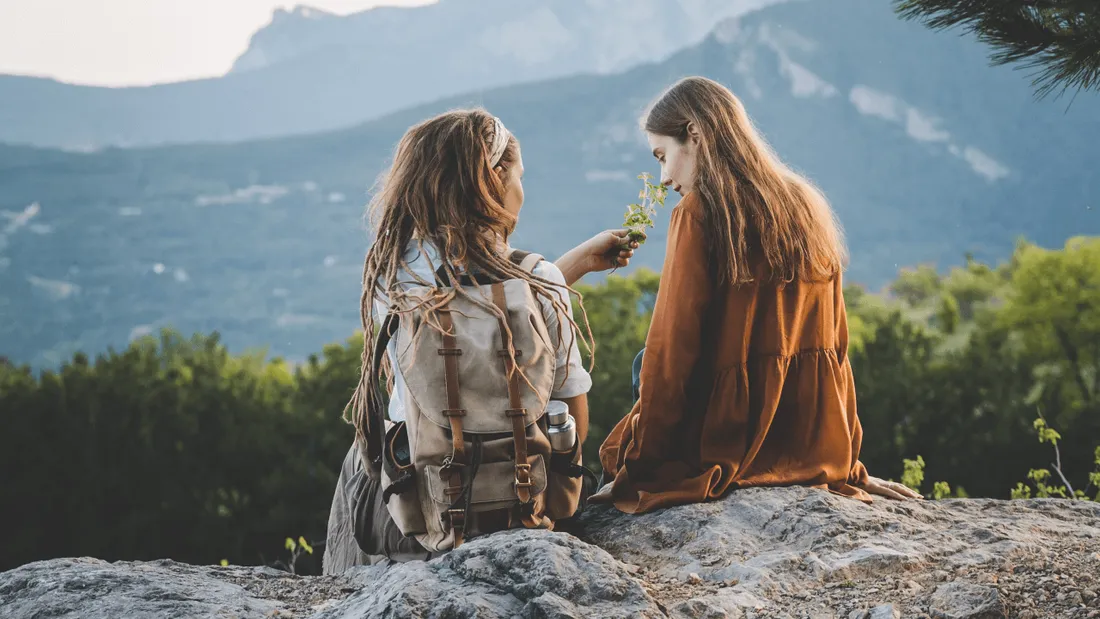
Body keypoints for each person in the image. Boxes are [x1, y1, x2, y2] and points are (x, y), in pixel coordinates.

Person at [323, 108, 639, 573]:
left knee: (363, 453)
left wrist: (574, 265)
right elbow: (574, 419)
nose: (521, 191)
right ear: (492, 184)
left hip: (415, 521)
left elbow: (455, 337)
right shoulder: (541, 281)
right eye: (518, 177)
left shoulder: (395, 280)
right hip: (527, 511)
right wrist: (556, 277)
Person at [596, 77, 922, 514]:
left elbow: (672, 352)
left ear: (694, 133)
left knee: (644, 365)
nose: (665, 178)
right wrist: (845, 460)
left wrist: (636, 470)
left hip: (728, 440)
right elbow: (834, 349)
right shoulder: (807, 204)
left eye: (663, 156)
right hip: (807, 438)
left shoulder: (699, 213)